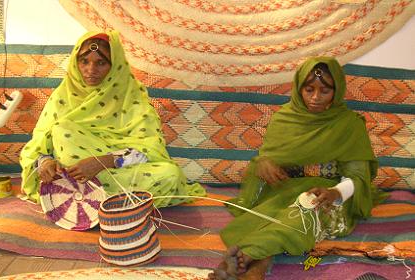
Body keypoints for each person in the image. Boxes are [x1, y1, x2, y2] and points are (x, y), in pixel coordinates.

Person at [208, 57, 387, 280]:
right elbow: (267, 157)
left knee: (302, 212)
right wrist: (263, 163)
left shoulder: (349, 124)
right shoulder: (283, 118)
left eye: (324, 91)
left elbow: (359, 178)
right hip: (283, 190)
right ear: (299, 87)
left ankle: (244, 255)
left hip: (326, 194)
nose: (315, 98)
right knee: (270, 218)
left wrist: (336, 193)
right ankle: (256, 269)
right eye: (309, 89)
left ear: (337, 90)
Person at [20, 30, 205, 207]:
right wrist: (45, 163)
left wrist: (102, 162)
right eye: (84, 61)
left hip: (120, 172)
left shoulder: (132, 99)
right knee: (62, 129)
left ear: (115, 66)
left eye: (100, 63)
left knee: (170, 174)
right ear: (75, 62)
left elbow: (147, 153)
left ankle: (88, 198)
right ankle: (104, 198)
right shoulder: (62, 98)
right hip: (77, 175)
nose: (90, 70)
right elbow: (36, 149)